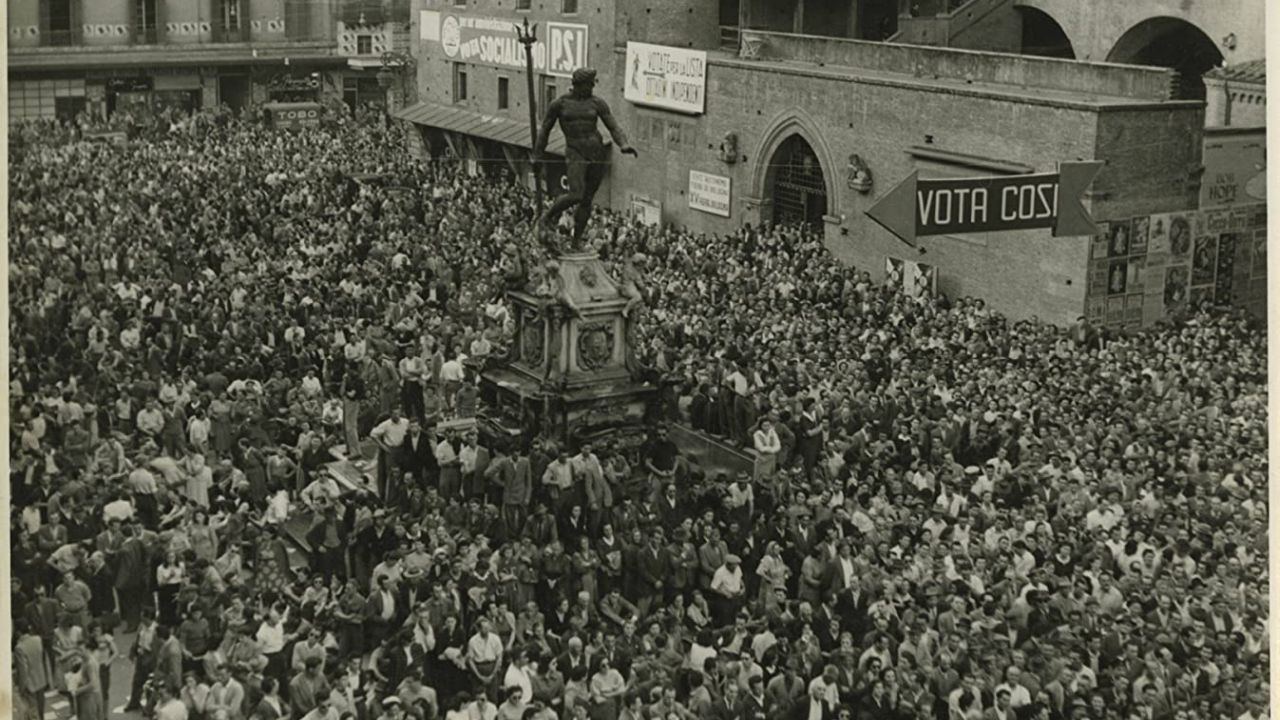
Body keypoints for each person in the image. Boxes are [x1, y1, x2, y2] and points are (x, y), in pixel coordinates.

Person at [533, 67, 638, 249]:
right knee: (576, 193)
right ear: (578, 85)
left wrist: (623, 144)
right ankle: (548, 216)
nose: (591, 88)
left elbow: (613, 126)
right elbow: (544, 131)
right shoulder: (559, 104)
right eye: (589, 85)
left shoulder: (597, 103)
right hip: (575, 151)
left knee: (587, 200)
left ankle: (576, 241)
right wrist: (537, 155)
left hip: (596, 151)